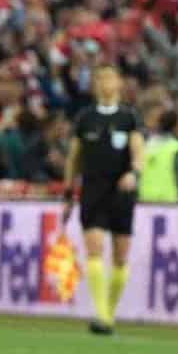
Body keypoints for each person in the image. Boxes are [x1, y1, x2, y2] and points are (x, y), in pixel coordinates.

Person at [62, 64, 145, 336]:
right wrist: (67, 193)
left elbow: (138, 152)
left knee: (121, 258)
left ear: (119, 83)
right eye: (99, 78)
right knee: (94, 250)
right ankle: (102, 316)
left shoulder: (129, 118)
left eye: (109, 77)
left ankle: (108, 312)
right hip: (93, 192)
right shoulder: (85, 119)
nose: (104, 83)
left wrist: (134, 172)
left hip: (121, 193)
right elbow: (74, 159)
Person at [139, 109, 178, 203]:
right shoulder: (177, 149)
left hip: (144, 202)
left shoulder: (144, 147)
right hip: (171, 204)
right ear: (175, 127)